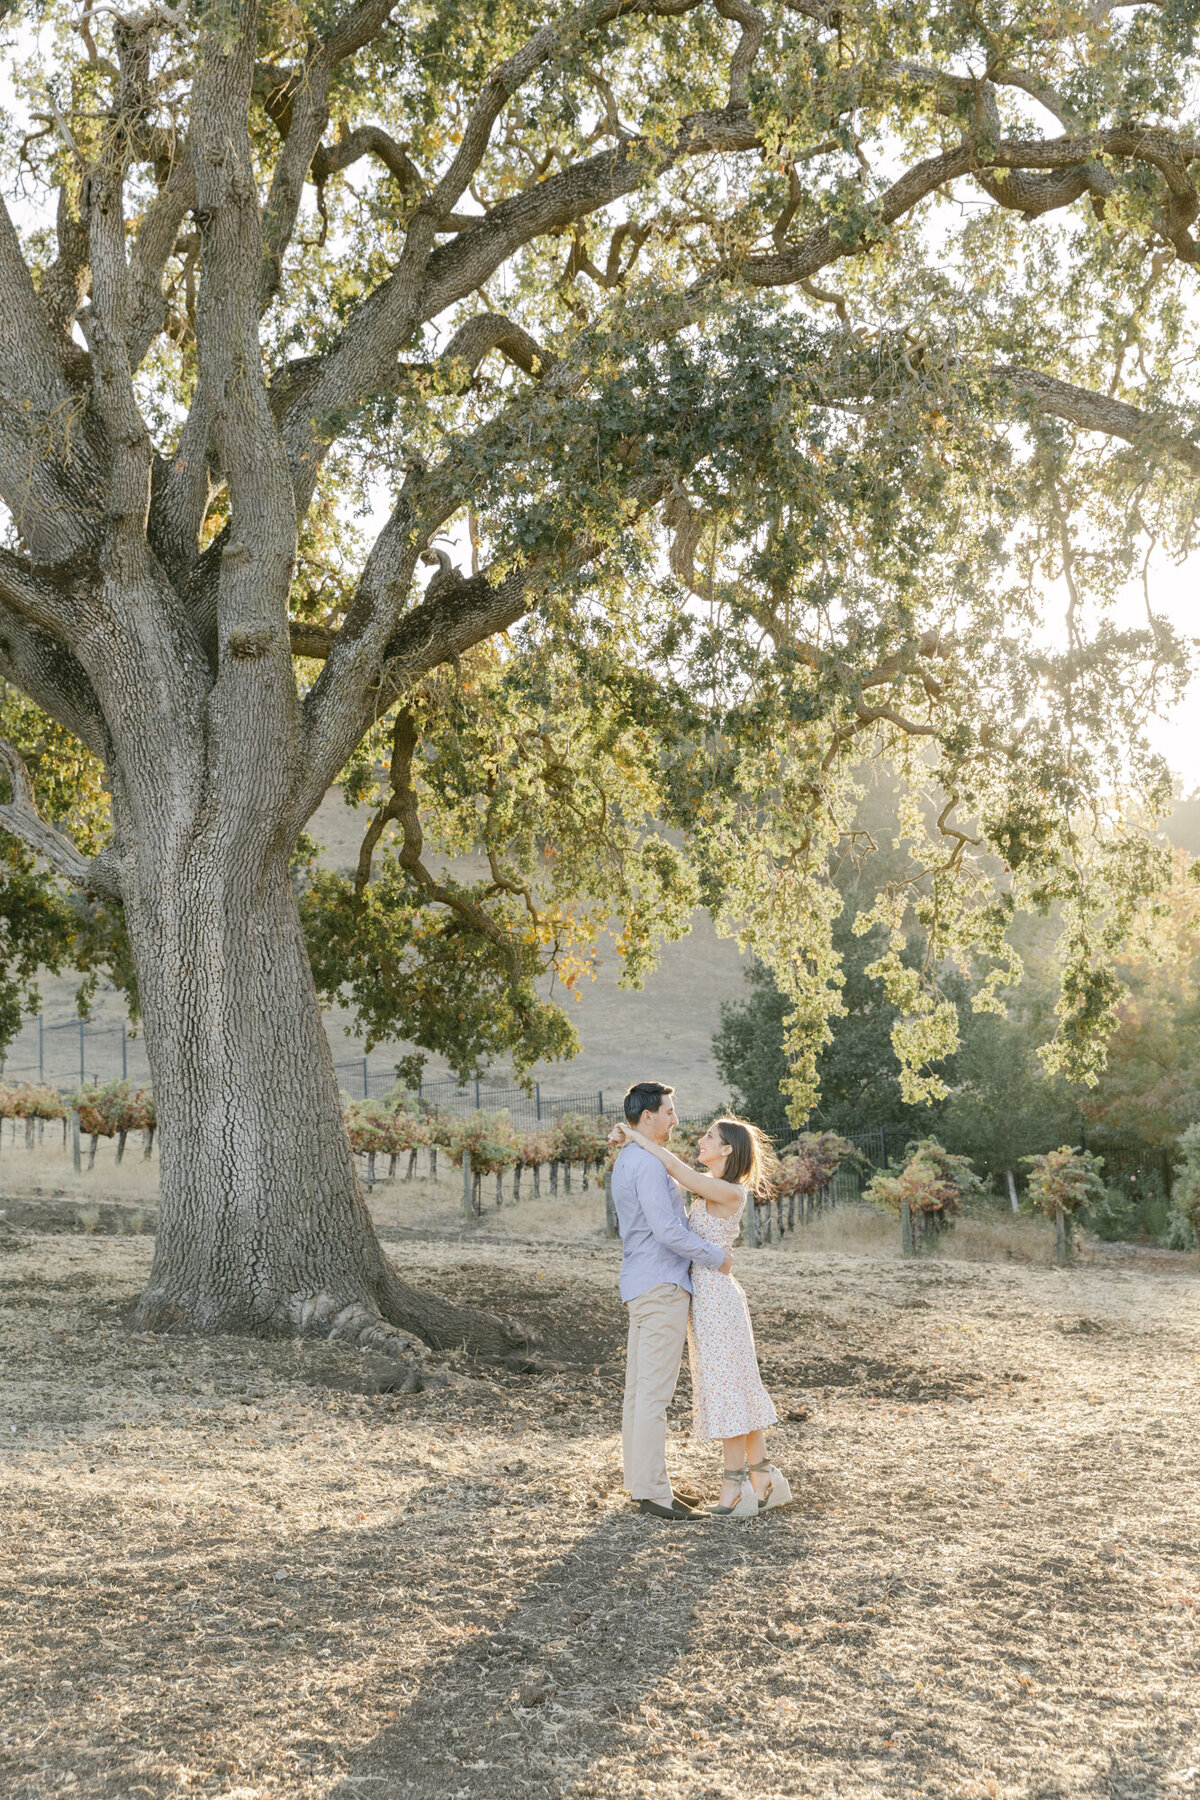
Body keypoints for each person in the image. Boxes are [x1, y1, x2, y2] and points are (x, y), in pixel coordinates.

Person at [611, 1111, 790, 1520]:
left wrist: (637, 1139)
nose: (700, 1140)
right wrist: (630, 1139)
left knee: (728, 1390)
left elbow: (673, 1168)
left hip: (718, 1300)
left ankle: (735, 1488)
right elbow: (669, 1180)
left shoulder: (730, 1191)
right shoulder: (712, 1187)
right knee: (734, 1387)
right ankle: (764, 1478)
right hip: (706, 1298)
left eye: (710, 1136)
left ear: (727, 1148)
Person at [609, 1080, 733, 1522]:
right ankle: (656, 1495)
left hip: (641, 1284)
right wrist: (716, 1257)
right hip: (661, 1287)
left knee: (638, 1394)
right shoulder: (646, 1164)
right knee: (654, 1397)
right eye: (669, 1112)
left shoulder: (629, 1156)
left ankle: (644, 1484)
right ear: (647, 1117)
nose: (675, 1120)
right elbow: (668, 1231)